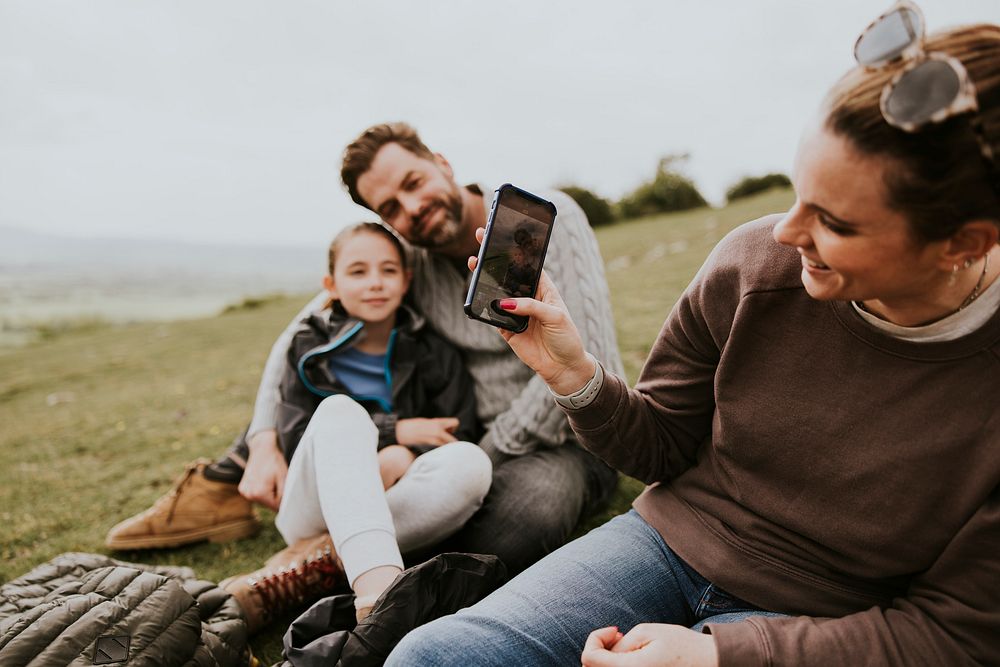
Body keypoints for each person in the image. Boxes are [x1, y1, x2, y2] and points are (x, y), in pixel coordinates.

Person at [386, 10, 1000, 667]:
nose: (786, 234)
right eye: (798, 195)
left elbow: (956, 635)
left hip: (827, 618)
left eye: (833, 222)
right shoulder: (754, 262)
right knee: (433, 654)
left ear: (963, 243)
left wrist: (718, 655)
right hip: (664, 542)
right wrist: (576, 377)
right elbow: (661, 445)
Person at [106, 122, 623, 578]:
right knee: (328, 374)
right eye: (391, 207)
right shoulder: (409, 260)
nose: (412, 208)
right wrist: (263, 438)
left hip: (566, 435)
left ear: (441, 164)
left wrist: (479, 455)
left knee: (523, 518)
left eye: (414, 183)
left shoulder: (534, 223)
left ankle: (324, 561)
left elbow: (581, 362)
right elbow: (304, 330)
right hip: (457, 434)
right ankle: (232, 482)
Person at [214, 222, 492, 632]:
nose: (375, 283)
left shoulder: (434, 352)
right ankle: (379, 602)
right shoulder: (308, 347)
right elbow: (296, 439)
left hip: (401, 497)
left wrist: (406, 455)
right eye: (358, 272)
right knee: (340, 411)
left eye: (388, 270)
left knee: (473, 463)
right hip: (312, 505)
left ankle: (318, 561)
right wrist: (394, 433)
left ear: (406, 280)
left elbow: (458, 431)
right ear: (332, 284)